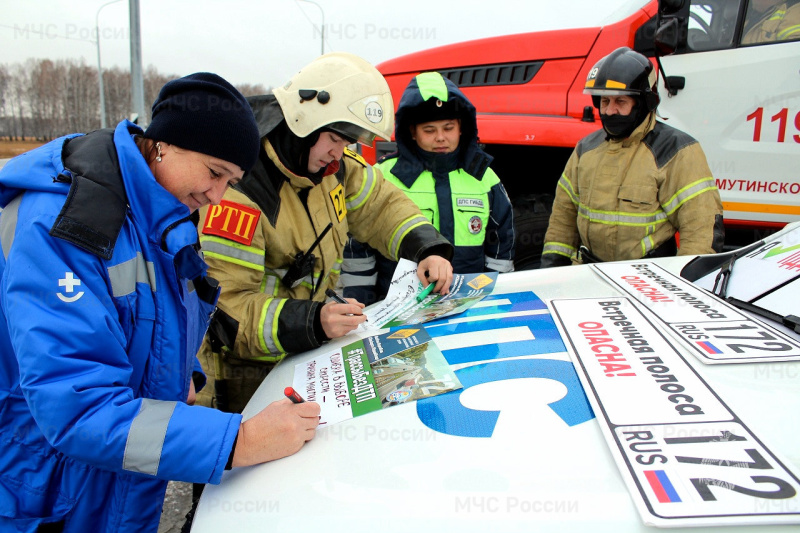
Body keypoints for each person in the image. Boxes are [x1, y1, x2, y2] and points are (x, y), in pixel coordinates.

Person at [0, 73, 320, 533]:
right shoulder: (66, 224)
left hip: (117, 473)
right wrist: (238, 441)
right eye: (214, 173)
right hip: (52, 487)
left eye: (231, 182)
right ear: (164, 144)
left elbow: (152, 321)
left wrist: (180, 376)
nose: (216, 197)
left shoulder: (158, 210)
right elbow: (78, 407)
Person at [195, 53, 454, 414]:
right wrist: (313, 320)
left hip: (301, 360)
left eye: (348, 142)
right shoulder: (238, 195)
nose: (340, 152)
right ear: (304, 122)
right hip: (244, 387)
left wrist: (426, 249)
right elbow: (228, 314)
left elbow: (381, 206)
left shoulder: (334, 169)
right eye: (335, 138)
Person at [540, 47, 724, 268]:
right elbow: (564, 216)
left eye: (620, 102)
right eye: (605, 102)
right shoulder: (585, 149)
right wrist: (553, 267)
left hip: (647, 279)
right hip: (589, 272)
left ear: (644, 103)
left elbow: (700, 227)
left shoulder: (675, 150)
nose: (610, 111)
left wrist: (684, 282)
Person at [341, 71, 515, 305]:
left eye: (448, 127)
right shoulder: (383, 176)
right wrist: (360, 303)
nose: (441, 137)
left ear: (461, 128)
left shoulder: (484, 178)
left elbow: (500, 250)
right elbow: (357, 246)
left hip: (468, 308)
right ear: (412, 132)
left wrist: (494, 299)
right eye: (429, 130)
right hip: (397, 309)